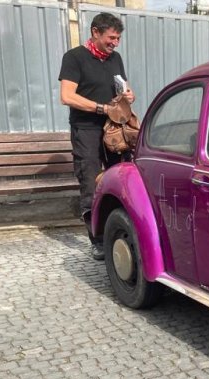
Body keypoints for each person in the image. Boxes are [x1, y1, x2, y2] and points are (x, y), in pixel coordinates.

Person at [59, 12, 135, 260]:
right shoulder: (74, 57)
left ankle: (119, 232)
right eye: (111, 38)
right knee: (90, 184)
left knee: (120, 180)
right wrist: (101, 108)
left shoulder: (116, 58)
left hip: (114, 130)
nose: (115, 43)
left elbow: (125, 88)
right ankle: (98, 240)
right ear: (95, 32)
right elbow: (67, 96)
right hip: (86, 130)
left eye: (118, 38)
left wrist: (129, 96)